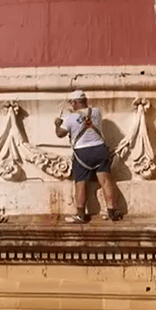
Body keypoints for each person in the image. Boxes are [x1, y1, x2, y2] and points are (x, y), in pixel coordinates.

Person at [54, 90, 123, 223]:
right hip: (99, 149)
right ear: (85, 101)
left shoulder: (69, 118)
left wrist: (57, 123)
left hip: (82, 153)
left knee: (81, 183)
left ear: (74, 102)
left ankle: (80, 215)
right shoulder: (96, 112)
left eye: (72, 103)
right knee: (106, 181)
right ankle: (112, 211)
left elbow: (60, 133)